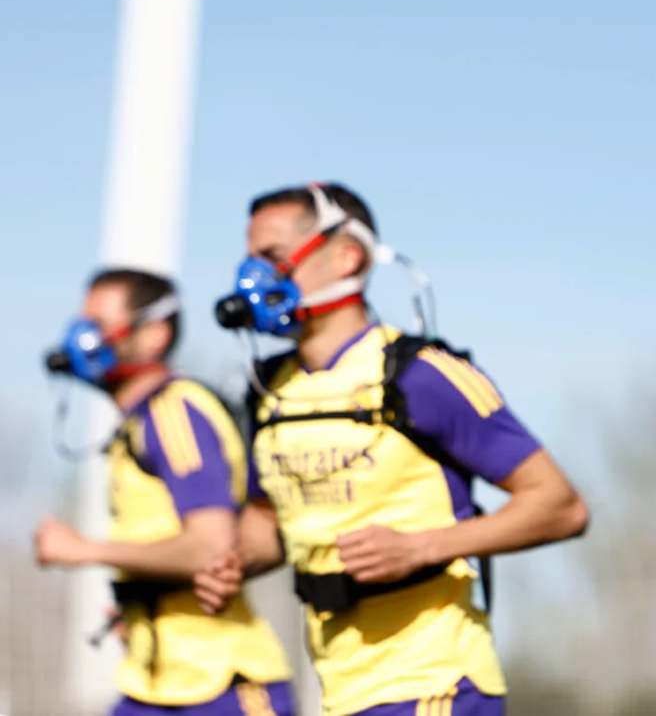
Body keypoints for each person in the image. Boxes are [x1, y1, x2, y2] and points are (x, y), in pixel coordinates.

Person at [194, 183, 589, 716]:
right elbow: (270, 519)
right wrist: (235, 560)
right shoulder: (269, 390)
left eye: (273, 257)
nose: (253, 278)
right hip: (341, 691)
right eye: (250, 260)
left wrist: (422, 547)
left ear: (346, 256)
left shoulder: (421, 374)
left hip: (436, 684)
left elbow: (561, 506)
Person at [35, 268, 295, 716]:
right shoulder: (138, 422)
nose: (83, 339)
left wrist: (85, 549)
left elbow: (211, 546)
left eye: (99, 324)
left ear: (155, 333)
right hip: (155, 684)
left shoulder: (174, 412)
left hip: (221, 686)